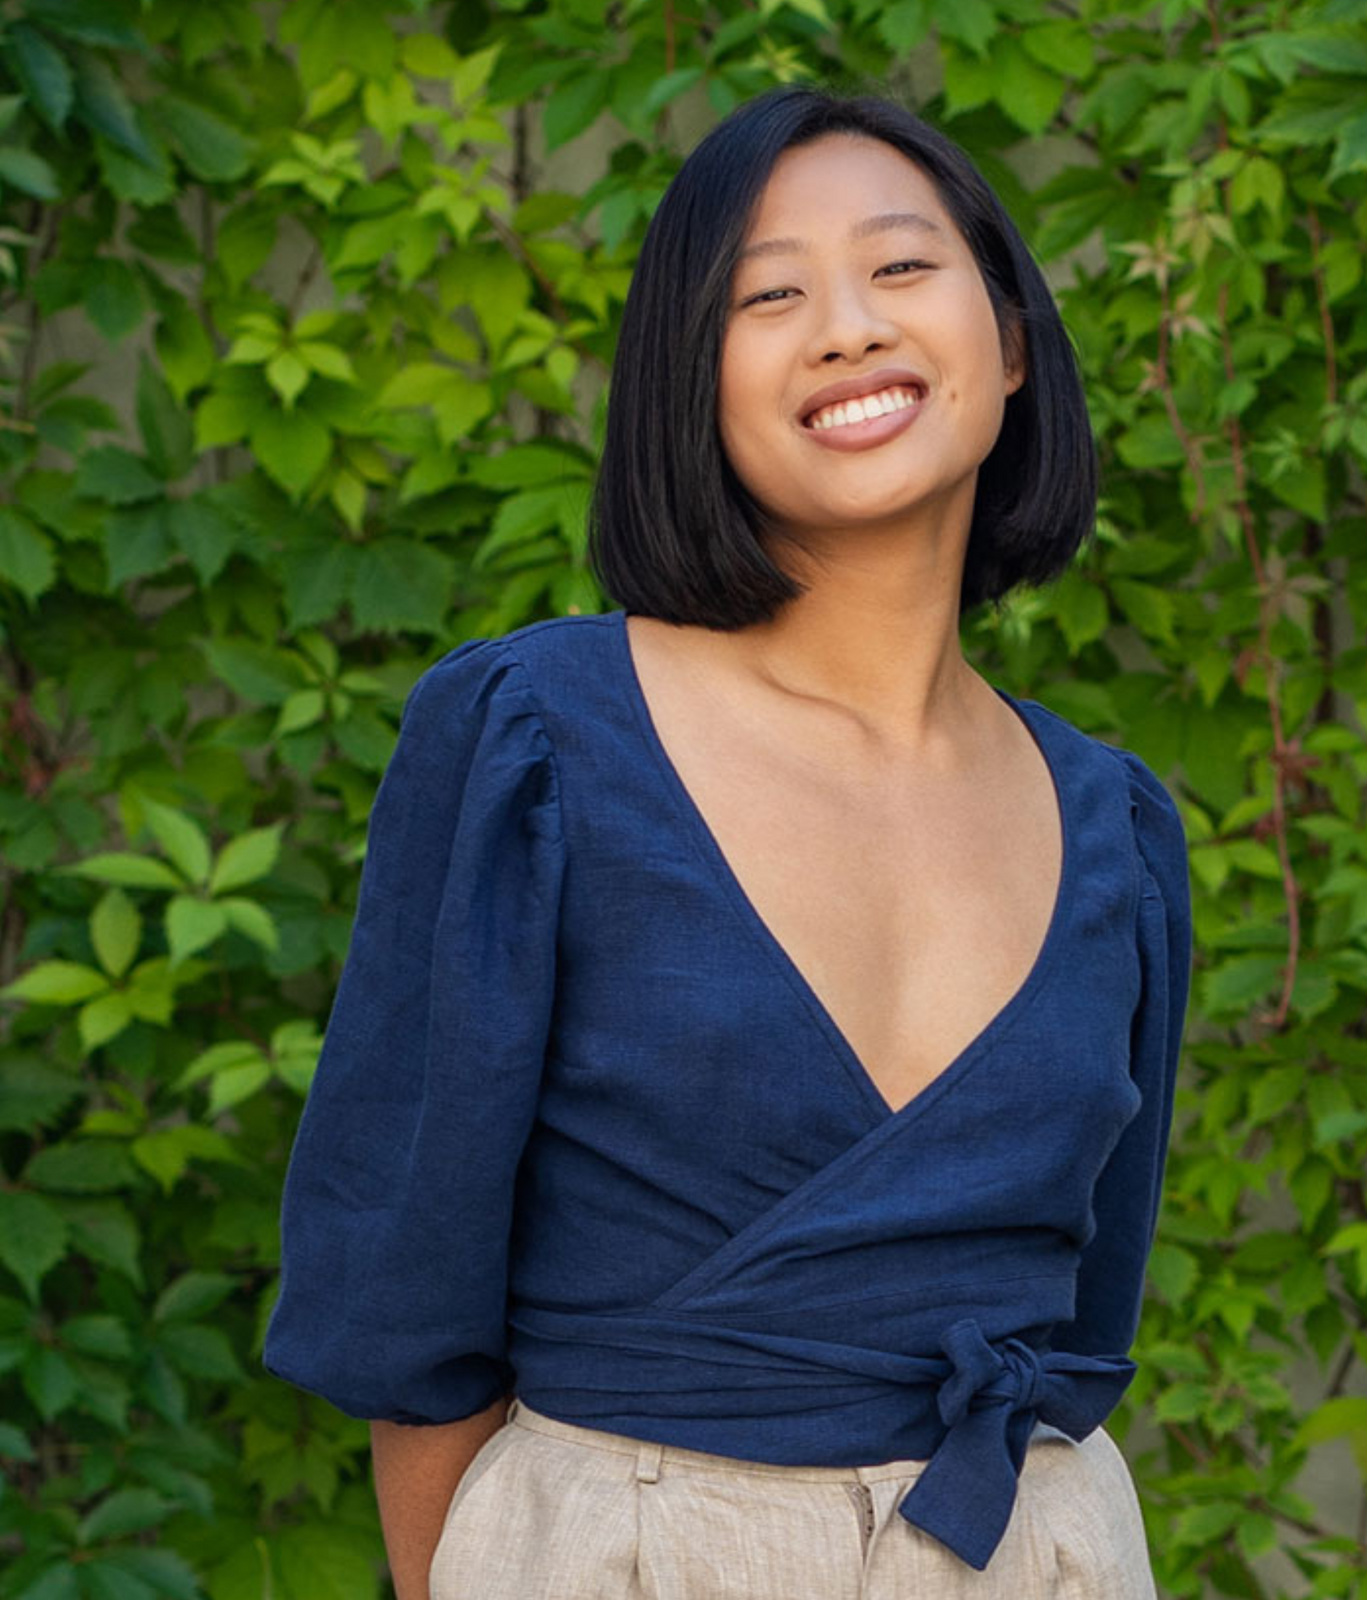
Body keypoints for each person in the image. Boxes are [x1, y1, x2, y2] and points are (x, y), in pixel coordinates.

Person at [265, 84, 1191, 1600]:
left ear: (1012, 342)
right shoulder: (536, 738)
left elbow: (1090, 1321)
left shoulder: (1117, 825)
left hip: (1039, 1553)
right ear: (688, 385)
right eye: (770, 296)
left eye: (902, 266)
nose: (848, 328)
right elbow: (407, 1304)